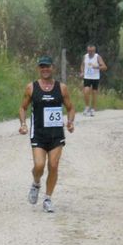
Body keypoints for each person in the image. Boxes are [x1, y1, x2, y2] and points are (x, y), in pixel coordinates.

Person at [19, 56, 75, 213]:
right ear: (39, 69)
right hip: (39, 134)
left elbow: (70, 108)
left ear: (52, 68)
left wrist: (70, 122)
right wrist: (23, 124)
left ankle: (48, 199)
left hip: (56, 134)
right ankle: (36, 183)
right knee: (39, 165)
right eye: (42, 67)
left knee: (53, 165)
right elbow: (22, 108)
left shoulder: (61, 88)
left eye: (47, 66)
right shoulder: (31, 87)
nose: (45, 69)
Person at [80, 44, 107, 117]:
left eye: (91, 51)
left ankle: (93, 109)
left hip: (95, 77)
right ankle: (87, 107)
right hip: (87, 77)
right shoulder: (85, 56)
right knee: (86, 90)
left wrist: (97, 67)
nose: (90, 52)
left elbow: (104, 67)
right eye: (89, 51)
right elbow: (82, 65)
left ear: (94, 51)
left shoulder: (97, 57)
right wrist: (82, 72)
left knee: (94, 93)